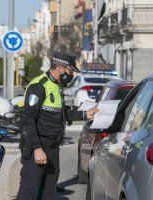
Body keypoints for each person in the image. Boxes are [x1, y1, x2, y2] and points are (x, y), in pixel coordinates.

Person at [17, 52, 98, 200]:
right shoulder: (39, 85)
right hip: (38, 148)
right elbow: (28, 120)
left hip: (53, 148)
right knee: (29, 193)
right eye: (70, 70)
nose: (72, 74)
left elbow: (62, 113)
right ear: (60, 68)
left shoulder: (56, 86)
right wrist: (37, 149)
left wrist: (85, 115)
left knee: (49, 193)